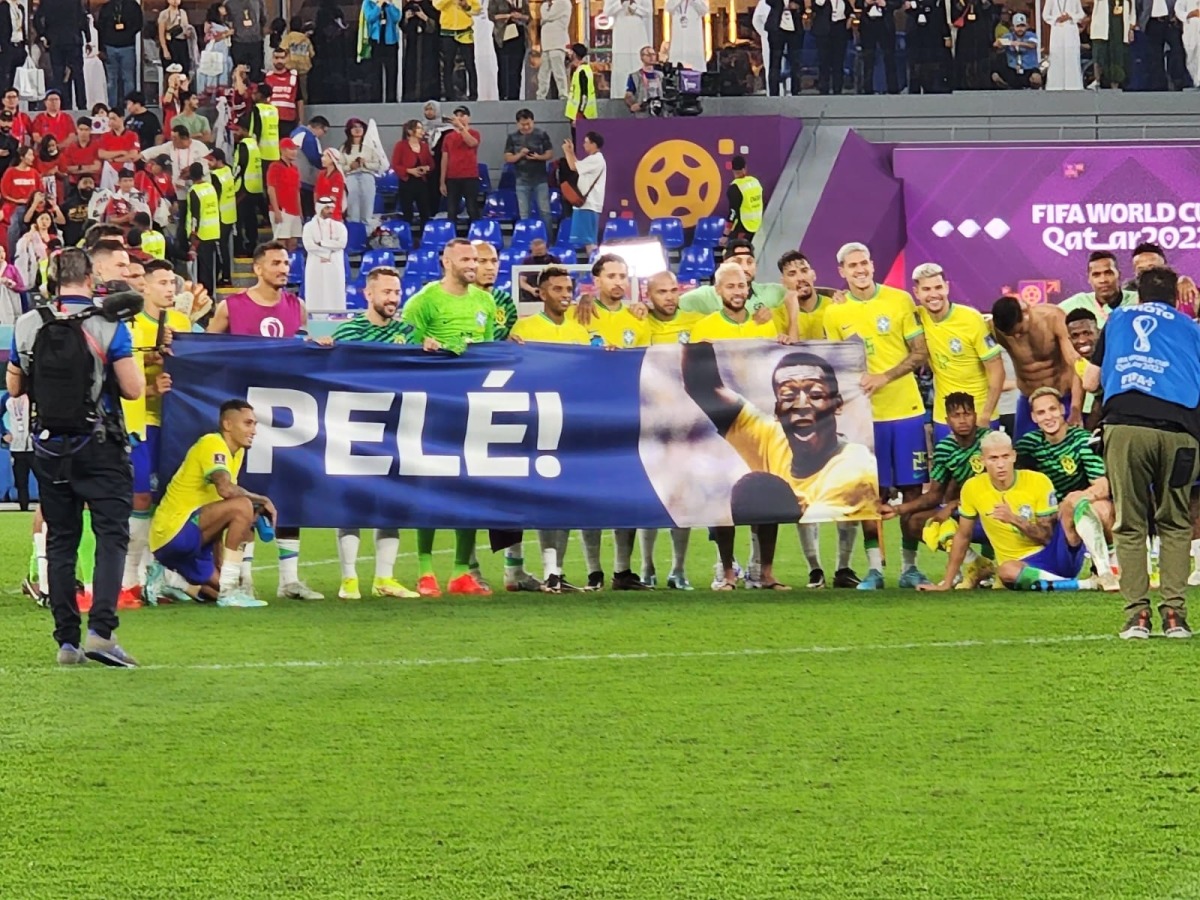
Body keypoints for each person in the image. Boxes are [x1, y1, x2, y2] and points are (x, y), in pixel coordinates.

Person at [7, 247, 144, 666]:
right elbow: (134, 388)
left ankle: (66, 641)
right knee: (110, 537)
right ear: (89, 278)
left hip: (49, 447)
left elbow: (14, 387)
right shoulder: (109, 323)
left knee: (61, 541)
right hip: (99, 444)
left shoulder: (29, 323)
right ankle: (101, 631)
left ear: (51, 278)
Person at [1084, 266, 1200, 639]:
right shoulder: (1191, 329)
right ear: (1175, 298)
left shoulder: (1118, 318)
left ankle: (1137, 617)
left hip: (1126, 428)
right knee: (1176, 522)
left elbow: (1089, 381)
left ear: (1139, 294)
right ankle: (1174, 617)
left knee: (1131, 524)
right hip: (1180, 434)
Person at [208, 240, 323, 601]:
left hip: (288, 415)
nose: (283, 269)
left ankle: (289, 580)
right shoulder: (232, 307)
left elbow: (306, 347)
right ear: (257, 268)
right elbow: (204, 351)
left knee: (290, 492)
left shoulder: (297, 306)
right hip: (246, 421)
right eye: (275, 263)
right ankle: (244, 577)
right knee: (249, 496)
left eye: (286, 263)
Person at [823, 242, 930, 589]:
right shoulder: (834, 313)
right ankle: (874, 570)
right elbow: (834, 366)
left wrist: (885, 377)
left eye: (864, 262)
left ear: (873, 264)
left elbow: (920, 353)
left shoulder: (899, 301)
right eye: (852, 265)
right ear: (842, 271)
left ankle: (910, 567)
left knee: (913, 492)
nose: (860, 269)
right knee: (872, 494)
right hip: (864, 419)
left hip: (907, 411)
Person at [684, 260, 793, 591]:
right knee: (725, 497)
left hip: (765, 422)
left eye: (742, 285)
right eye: (730, 286)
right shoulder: (705, 327)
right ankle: (727, 570)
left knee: (770, 493)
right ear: (718, 291)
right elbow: (694, 378)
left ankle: (764, 571)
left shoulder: (764, 323)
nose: (737, 291)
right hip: (722, 424)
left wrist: (786, 342)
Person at [401, 238, 496, 597]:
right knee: (430, 487)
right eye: (466, 258)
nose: (474, 264)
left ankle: (461, 572)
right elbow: (401, 344)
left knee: (467, 487)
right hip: (433, 408)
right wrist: (422, 346)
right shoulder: (424, 301)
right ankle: (425, 571)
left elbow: (488, 351)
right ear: (446, 261)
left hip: (472, 406)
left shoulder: (485, 301)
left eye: (476, 258)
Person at [327, 267, 421, 600]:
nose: (393, 299)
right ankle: (348, 578)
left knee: (390, 502)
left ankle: (385, 578)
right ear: (368, 294)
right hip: (355, 426)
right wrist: (321, 349)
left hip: (396, 428)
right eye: (386, 293)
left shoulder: (408, 333)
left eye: (397, 293)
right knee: (353, 500)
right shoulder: (349, 332)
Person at [920, 431, 1106, 593]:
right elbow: (963, 535)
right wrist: (946, 582)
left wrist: (1015, 519)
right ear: (982, 460)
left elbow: (1047, 537)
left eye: (1005, 456)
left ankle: (1105, 571)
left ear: (1014, 456)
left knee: (1071, 502)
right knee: (1005, 570)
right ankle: (1084, 585)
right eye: (993, 458)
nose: (1001, 464)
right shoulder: (972, 488)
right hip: (1021, 567)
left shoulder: (1037, 481)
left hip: (1054, 554)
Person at [145, 399, 272, 608]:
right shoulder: (213, 444)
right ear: (228, 425)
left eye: (255, 424)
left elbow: (219, 510)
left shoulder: (237, 452)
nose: (254, 430)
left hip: (191, 539)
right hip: (175, 530)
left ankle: (168, 579)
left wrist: (221, 569)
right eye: (248, 423)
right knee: (243, 505)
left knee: (214, 590)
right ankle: (229, 592)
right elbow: (225, 489)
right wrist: (261, 500)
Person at [509, 266, 589, 592]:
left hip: (569, 425)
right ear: (541, 294)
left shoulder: (580, 332)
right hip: (535, 424)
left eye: (568, 288)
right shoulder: (525, 329)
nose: (565, 294)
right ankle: (538, 570)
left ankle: (556, 572)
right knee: (540, 499)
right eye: (557, 289)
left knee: (566, 499)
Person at [888, 391, 995, 588]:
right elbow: (935, 494)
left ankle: (997, 568)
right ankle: (973, 562)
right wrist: (897, 510)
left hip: (993, 510)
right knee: (913, 521)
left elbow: (997, 488)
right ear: (947, 420)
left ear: (975, 415)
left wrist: (953, 505)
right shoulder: (944, 449)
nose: (962, 420)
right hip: (966, 511)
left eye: (967, 414)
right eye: (956, 415)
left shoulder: (989, 441)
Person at [911, 263, 1003, 440]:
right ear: (917, 293)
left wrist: (985, 415)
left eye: (938, 287)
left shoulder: (971, 319)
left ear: (947, 287)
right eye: (926, 289)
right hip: (944, 418)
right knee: (948, 467)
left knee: (984, 468)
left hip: (979, 415)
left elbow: (996, 369)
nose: (933, 294)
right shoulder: (916, 316)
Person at [990, 295, 1082, 437]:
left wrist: (1076, 407)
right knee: (1023, 452)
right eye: (1011, 335)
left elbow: (1076, 363)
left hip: (1062, 398)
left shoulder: (1053, 317)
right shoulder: (994, 328)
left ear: (1025, 311)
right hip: (1029, 400)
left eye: (1019, 331)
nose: (1017, 337)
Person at [680, 240, 787, 315]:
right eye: (737, 262)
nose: (745, 268)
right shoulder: (705, 296)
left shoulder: (773, 292)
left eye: (749, 262)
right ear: (724, 266)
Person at [34, 0, 89, 108]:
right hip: (73, 40)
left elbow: (37, 19)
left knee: (59, 75)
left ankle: (64, 105)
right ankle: (82, 105)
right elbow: (83, 19)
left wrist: (43, 35)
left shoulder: (47, 2)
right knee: (78, 74)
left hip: (55, 41)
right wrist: (89, 39)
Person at [1058, 250, 1138, 325]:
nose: (1103, 280)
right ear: (1089, 279)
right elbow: (1050, 314)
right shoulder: (1078, 302)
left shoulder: (1137, 300)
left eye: (1108, 273)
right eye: (1096, 275)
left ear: (1119, 275)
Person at [504, 110, 552, 227]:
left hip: (540, 179)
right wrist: (520, 154)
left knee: (545, 211)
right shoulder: (512, 137)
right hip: (521, 180)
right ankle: (527, 238)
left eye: (528, 124)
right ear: (517, 123)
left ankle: (548, 240)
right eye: (523, 124)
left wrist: (538, 157)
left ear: (533, 122)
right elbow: (508, 158)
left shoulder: (541, 134)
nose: (526, 127)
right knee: (524, 213)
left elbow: (550, 154)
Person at [302, 195, 348, 311]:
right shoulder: (309, 227)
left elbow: (342, 244)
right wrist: (329, 251)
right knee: (316, 292)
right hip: (315, 266)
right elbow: (309, 246)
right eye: (327, 208)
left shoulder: (340, 227)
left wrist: (322, 243)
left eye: (331, 208)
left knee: (335, 293)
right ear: (319, 208)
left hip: (334, 266)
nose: (330, 211)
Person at [563, 132, 605, 256]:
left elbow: (572, 166)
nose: (584, 144)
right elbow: (577, 164)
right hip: (588, 205)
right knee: (589, 240)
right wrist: (571, 152)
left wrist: (566, 151)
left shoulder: (595, 159)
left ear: (594, 144)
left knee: (589, 241)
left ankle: (594, 266)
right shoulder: (593, 159)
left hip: (588, 205)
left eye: (586, 142)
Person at [141, 124, 210, 197]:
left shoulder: (200, 147)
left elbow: (207, 165)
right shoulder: (170, 146)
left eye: (175, 138)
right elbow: (157, 150)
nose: (172, 141)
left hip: (199, 188)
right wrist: (141, 155)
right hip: (179, 190)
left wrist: (192, 172)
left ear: (184, 138)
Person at [341, 118, 386, 227]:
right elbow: (340, 167)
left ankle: (367, 233)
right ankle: (354, 232)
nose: (357, 129)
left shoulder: (370, 147)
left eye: (360, 127)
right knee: (353, 209)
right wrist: (350, 166)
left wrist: (365, 164)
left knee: (367, 207)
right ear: (349, 130)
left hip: (367, 176)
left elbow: (378, 164)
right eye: (354, 127)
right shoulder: (344, 148)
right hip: (351, 177)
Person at [439, 107, 481, 224]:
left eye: (462, 115)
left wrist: (461, 128)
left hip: (470, 176)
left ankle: (475, 235)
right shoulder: (448, 137)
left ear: (469, 118)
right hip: (452, 177)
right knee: (451, 210)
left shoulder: (474, 133)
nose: (459, 118)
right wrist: (442, 181)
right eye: (457, 115)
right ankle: (452, 237)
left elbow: (472, 143)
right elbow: (444, 159)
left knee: (472, 207)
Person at [184, 161, 220, 295]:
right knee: (210, 267)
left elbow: (195, 216)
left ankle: (205, 296)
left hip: (201, 234)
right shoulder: (210, 188)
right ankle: (211, 294)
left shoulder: (194, 191)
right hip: (213, 231)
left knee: (203, 269)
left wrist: (194, 237)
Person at [435, 0, 481, 101]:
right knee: (448, 64)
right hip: (447, 32)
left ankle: (473, 94)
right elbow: (437, 5)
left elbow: (477, 10)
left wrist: (466, 6)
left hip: (465, 31)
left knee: (470, 64)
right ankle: (449, 94)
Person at [605, 0, 653, 98]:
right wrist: (620, 2)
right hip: (621, 38)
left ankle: (640, 96)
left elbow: (648, 11)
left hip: (638, 37)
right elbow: (607, 11)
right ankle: (619, 97)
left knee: (637, 65)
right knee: (621, 70)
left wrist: (634, 7)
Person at [232, 123, 266, 256]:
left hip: (243, 188)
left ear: (245, 130)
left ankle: (240, 248)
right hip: (255, 187)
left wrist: (232, 182)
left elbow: (239, 167)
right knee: (251, 220)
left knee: (240, 221)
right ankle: (252, 246)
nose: (234, 134)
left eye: (237, 130)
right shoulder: (255, 145)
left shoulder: (244, 145)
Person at [393, 120, 433, 228]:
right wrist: (409, 170)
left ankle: (423, 236)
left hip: (422, 183)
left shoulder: (424, 146)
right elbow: (395, 165)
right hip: (407, 183)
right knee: (407, 213)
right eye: (419, 128)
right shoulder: (401, 145)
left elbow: (431, 164)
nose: (422, 130)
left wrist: (426, 168)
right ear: (410, 131)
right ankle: (408, 237)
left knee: (425, 212)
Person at [473, 240, 517, 339]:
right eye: (482, 261)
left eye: (494, 261)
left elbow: (510, 334)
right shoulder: (456, 298)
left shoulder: (504, 300)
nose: (490, 267)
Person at [1140, 0, 1187, 91]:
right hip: (1152, 22)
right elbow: (1139, 4)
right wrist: (1141, 20)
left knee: (1177, 49)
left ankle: (1177, 80)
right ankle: (1158, 85)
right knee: (1154, 55)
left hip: (1169, 21)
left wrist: (1176, 15)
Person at [265, 136, 302, 249]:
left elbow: (297, 191)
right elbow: (271, 189)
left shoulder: (295, 169)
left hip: (294, 211)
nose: (294, 152)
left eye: (295, 149)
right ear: (282, 150)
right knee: (281, 242)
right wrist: (276, 210)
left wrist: (300, 212)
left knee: (293, 242)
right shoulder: (275, 166)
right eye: (290, 149)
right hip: (282, 210)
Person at [489, 0, 529, 101]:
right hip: (502, 35)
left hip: (519, 34)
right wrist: (507, 16)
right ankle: (503, 95)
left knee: (516, 68)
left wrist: (519, 16)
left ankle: (515, 96)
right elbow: (492, 15)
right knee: (503, 66)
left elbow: (528, 17)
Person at [289, 115, 328, 219]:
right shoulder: (308, 136)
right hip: (304, 179)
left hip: (297, 177)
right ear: (318, 127)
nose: (323, 135)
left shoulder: (297, 132)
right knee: (307, 208)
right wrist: (326, 166)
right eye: (324, 131)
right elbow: (314, 158)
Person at [857, 0, 900, 94]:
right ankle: (867, 88)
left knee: (889, 57)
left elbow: (898, 3)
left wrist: (886, 4)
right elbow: (857, 3)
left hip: (885, 25)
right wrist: (866, 2)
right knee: (868, 58)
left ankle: (893, 88)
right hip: (868, 26)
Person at [402, 0, 441, 101]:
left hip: (428, 45)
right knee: (411, 69)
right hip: (413, 44)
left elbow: (435, 27)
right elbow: (403, 27)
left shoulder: (432, 7)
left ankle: (428, 95)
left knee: (428, 69)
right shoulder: (408, 7)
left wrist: (424, 17)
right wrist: (406, 18)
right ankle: (411, 96)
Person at [951, 0, 995, 89]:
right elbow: (954, 17)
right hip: (965, 35)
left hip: (981, 34)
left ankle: (982, 85)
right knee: (964, 61)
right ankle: (964, 85)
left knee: (982, 61)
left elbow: (991, 14)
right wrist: (962, 5)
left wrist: (984, 3)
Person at [1090, 0, 1133, 88]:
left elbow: (1132, 8)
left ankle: (1115, 84)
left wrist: (1131, 26)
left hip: (1120, 26)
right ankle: (1097, 80)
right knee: (1100, 54)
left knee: (1118, 56)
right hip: (1102, 26)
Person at [992, 13, 1043, 88]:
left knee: (1036, 78)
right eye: (1018, 26)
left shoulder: (1031, 35)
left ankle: (1033, 90)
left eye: (1022, 26)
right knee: (995, 75)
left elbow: (1032, 45)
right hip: (1013, 68)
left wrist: (1017, 43)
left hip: (1029, 68)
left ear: (1026, 26)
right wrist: (999, 44)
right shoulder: (1008, 36)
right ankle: (1007, 88)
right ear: (1013, 27)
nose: (1020, 29)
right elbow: (997, 45)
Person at [1042, 0, 1084, 90]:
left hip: (1071, 30)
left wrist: (1070, 16)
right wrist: (1056, 18)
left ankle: (1073, 85)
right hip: (1057, 29)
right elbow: (1045, 15)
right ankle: (1055, 85)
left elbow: (1081, 14)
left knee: (1071, 56)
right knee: (1057, 56)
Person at [264, 46, 303, 138]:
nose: (279, 61)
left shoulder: (294, 76)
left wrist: (300, 121)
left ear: (287, 59)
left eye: (282, 58)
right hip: (270, 119)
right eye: (276, 58)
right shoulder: (266, 77)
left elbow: (299, 99)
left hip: (289, 120)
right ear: (272, 59)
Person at [536, 0, 572, 100]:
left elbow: (548, 16)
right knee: (543, 73)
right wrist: (545, 18)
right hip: (546, 44)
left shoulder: (564, 3)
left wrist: (545, 20)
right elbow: (544, 14)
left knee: (558, 71)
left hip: (558, 43)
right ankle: (541, 95)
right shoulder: (545, 5)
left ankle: (563, 94)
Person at [2, 392, 32, 509]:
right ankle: (23, 508)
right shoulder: (7, 397)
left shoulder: (33, 393)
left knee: (44, 480)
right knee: (21, 481)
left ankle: (46, 510)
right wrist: (4, 432)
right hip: (17, 446)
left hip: (35, 445)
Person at [196, 2, 234, 94]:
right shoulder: (210, 23)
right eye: (221, 7)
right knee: (212, 74)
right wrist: (226, 34)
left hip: (224, 52)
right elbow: (210, 38)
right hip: (214, 51)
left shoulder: (226, 24)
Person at [725, 155, 763, 243]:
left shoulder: (734, 187)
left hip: (743, 229)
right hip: (757, 228)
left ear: (732, 169)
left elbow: (733, 213)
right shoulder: (755, 182)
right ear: (745, 167)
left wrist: (725, 235)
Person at [227, 0, 267, 80]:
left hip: (253, 41)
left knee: (255, 72)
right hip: (240, 42)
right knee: (240, 73)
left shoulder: (259, 1)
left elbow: (263, 19)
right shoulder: (229, 3)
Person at [157, 0, 196, 78]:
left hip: (182, 44)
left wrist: (188, 33)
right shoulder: (164, 14)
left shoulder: (183, 13)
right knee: (171, 71)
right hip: (170, 43)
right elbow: (161, 34)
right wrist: (165, 50)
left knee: (184, 71)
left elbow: (186, 28)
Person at [564, 44, 597, 137]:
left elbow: (584, 95)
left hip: (582, 115)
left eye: (571, 52)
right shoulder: (582, 69)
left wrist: (579, 115)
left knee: (580, 144)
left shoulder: (582, 71)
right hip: (581, 114)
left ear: (574, 54)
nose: (569, 54)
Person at [666, 0, 708, 70]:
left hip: (693, 36)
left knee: (695, 64)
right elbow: (669, 8)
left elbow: (704, 10)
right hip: (678, 34)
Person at [61, 116, 101, 187]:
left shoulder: (96, 145)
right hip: (74, 183)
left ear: (90, 130)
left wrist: (78, 168)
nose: (83, 133)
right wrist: (88, 168)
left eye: (86, 130)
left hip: (94, 182)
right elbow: (67, 168)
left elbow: (96, 168)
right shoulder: (70, 147)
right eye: (81, 129)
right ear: (77, 130)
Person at [625, 46, 663, 116]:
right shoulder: (634, 76)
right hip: (643, 114)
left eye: (653, 54)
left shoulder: (661, 75)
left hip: (660, 113)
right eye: (648, 55)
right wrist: (634, 105)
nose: (651, 57)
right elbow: (628, 95)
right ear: (642, 57)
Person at [248, 83, 280, 164]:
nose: (253, 95)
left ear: (260, 95)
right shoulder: (274, 109)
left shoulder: (257, 109)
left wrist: (253, 149)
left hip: (261, 153)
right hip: (274, 153)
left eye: (255, 93)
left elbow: (257, 130)